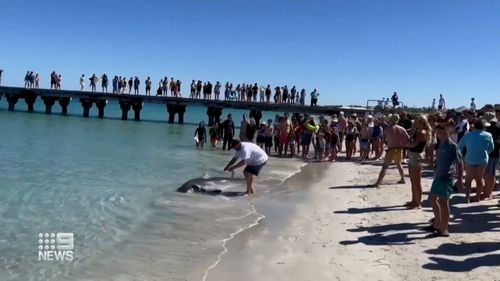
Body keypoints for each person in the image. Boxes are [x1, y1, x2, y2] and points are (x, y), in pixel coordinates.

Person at [425, 122, 464, 237]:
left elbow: (460, 162)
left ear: (448, 133)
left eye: (442, 133)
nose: (440, 135)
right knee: (432, 199)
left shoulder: (453, 146)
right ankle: (438, 222)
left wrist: (460, 179)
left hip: (447, 177)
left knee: (443, 202)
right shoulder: (441, 143)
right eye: (438, 133)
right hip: (438, 176)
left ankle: (444, 227)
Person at [458, 119, 494, 203]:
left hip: (470, 158)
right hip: (482, 159)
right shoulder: (488, 135)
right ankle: (477, 197)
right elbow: (491, 147)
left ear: (474, 126)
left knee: (468, 179)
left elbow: (459, 146)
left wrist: (462, 156)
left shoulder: (468, 135)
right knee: (479, 179)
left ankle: (467, 198)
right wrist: (485, 152)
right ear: (483, 126)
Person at [371, 114, 410, 187]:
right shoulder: (401, 128)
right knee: (399, 165)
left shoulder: (387, 129)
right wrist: (403, 145)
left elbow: (383, 141)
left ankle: (378, 183)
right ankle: (402, 179)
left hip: (391, 149)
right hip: (399, 149)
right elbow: (408, 139)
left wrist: (383, 146)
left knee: (385, 166)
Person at [406, 115, 431, 209]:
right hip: (413, 155)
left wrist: (405, 142)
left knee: (416, 181)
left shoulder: (422, 133)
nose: (414, 123)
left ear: (421, 122)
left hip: (416, 156)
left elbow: (412, 145)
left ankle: (418, 202)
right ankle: (414, 200)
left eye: (416, 121)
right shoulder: (417, 131)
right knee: (413, 181)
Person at [482, 112, 500, 200]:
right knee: (491, 174)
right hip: (495, 154)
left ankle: (488, 192)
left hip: (490, 154)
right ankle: (488, 192)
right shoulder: (497, 128)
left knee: (488, 174)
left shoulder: (488, 130)